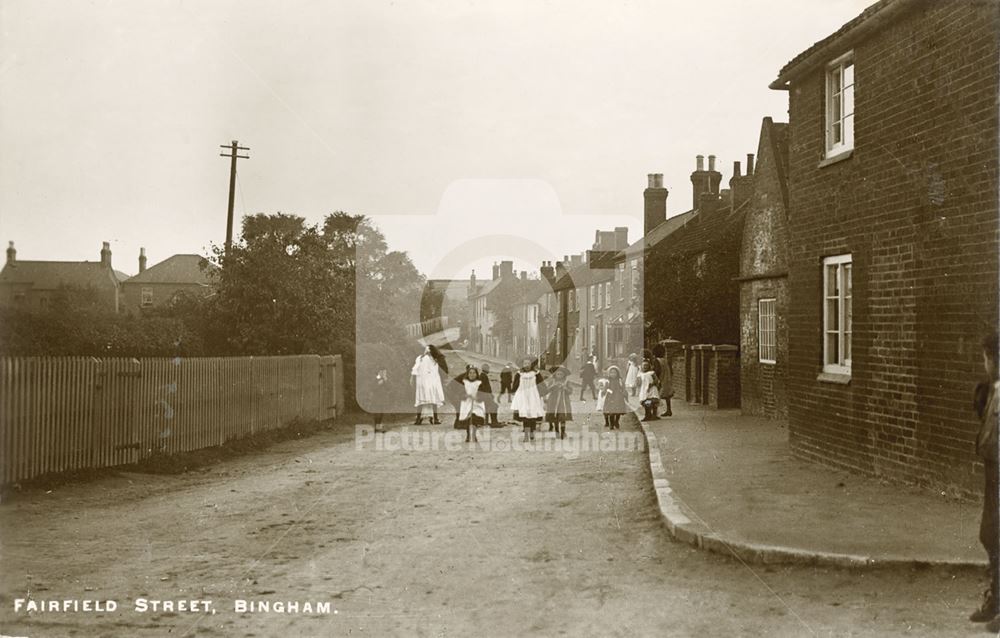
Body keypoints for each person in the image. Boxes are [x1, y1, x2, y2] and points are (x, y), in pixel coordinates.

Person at [972, 332, 1000, 630]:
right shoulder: (992, 390)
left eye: (986, 359)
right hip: (993, 474)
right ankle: (996, 601)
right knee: (990, 534)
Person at [511, 357, 547, 442]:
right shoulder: (519, 373)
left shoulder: (536, 373)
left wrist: (542, 393)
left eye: (528, 363)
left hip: (533, 396)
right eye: (525, 363)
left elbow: (541, 384)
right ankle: (526, 435)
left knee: (532, 415)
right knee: (525, 416)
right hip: (523, 396)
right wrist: (513, 391)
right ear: (522, 364)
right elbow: (516, 384)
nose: (526, 365)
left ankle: (532, 433)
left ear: (531, 364)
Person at [411, 344, 447, 424]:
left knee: (421, 400)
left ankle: (418, 420)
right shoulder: (433, 360)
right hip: (431, 382)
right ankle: (435, 419)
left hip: (422, 383)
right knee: (432, 399)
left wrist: (412, 378)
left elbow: (415, 369)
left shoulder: (420, 358)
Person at [455, 366, 488, 443]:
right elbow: (460, 392)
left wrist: (478, 396)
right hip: (467, 402)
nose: (472, 375)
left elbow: (484, 392)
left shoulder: (479, 383)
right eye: (470, 373)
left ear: (476, 374)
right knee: (468, 419)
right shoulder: (464, 382)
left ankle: (474, 434)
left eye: (474, 373)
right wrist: (465, 395)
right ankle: (468, 435)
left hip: (476, 403)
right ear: (467, 374)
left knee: (474, 419)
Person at [544, 366, 573, 440]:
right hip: (553, 402)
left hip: (563, 402)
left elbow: (570, 391)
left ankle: (563, 432)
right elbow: (546, 390)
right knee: (555, 417)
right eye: (558, 374)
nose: (559, 376)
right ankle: (557, 431)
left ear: (564, 375)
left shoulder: (567, 382)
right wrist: (553, 386)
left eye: (561, 374)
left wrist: (565, 388)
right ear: (555, 374)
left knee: (562, 417)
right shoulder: (552, 381)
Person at [603, 365, 629, 430]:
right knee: (611, 411)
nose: (613, 374)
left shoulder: (620, 380)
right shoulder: (608, 381)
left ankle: (616, 421)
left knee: (618, 411)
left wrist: (624, 393)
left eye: (614, 373)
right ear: (609, 374)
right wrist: (607, 391)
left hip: (618, 397)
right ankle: (611, 424)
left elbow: (623, 388)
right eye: (611, 373)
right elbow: (606, 388)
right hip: (610, 397)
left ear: (617, 373)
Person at [653, 343, 674, 417]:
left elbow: (657, 371)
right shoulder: (665, 360)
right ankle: (669, 410)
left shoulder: (657, 360)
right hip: (667, 379)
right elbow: (671, 370)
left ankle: (655, 413)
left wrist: (655, 380)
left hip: (660, 380)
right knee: (667, 396)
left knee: (655, 395)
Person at [370, 367, 389, 433]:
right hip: (376, 398)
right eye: (383, 372)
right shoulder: (377, 378)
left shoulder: (383, 379)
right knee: (377, 412)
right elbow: (374, 387)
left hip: (382, 397)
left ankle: (378, 427)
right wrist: (382, 381)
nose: (384, 374)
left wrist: (385, 381)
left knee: (381, 412)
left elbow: (387, 388)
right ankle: (376, 427)